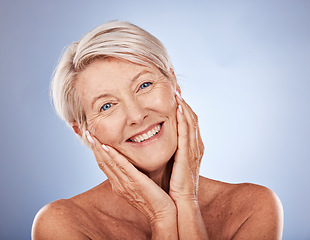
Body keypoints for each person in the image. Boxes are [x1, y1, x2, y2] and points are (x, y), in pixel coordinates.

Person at [32, 21, 283, 240]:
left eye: (144, 85)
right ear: (83, 132)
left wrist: (186, 200)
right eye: (107, 105)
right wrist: (161, 216)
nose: (137, 115)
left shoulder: (254, 207)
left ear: (174, 86)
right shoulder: (62, 224)